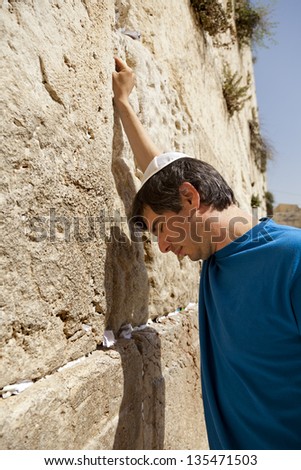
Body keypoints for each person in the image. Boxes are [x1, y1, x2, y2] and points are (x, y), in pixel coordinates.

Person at [112, 57, 301, 450]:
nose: (162, 247)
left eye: (161, 229)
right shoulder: (215, 258)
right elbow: (157, 169)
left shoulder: (292, 259)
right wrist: (124, 103)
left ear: (190, 198)